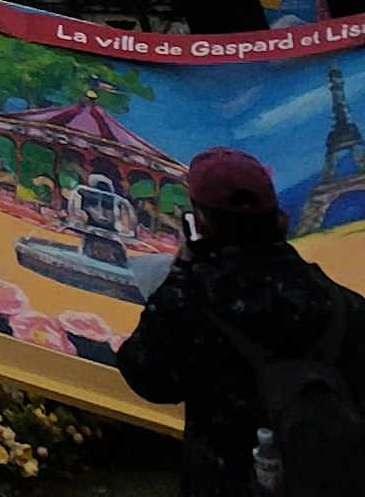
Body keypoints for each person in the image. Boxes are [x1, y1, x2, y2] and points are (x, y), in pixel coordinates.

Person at [118, 145, 362, 496]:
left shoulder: (187, 300)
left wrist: (181, 272)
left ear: (199, 221)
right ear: (280, 218)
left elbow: (145, 376)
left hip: (223, 481)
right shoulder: (341, 302)